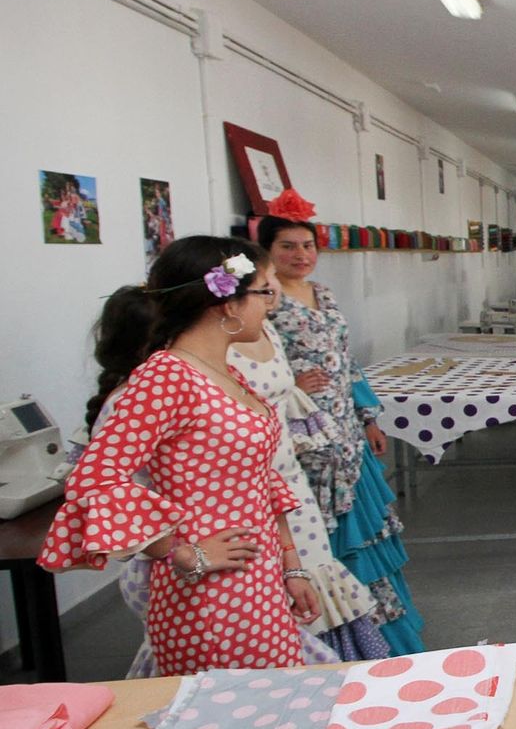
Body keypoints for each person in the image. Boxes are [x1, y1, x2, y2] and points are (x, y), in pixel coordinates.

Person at [38, 236, 320, 674]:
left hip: (257, 577)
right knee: (226, 719)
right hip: (210, 591)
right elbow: (94, 478)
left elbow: (258, 476)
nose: (270, 306)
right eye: (262, 293)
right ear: (227, 304)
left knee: (270, 705)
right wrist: (180, 552)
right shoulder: (167, 376)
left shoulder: (220, 373)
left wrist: (291, 565)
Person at [259, 215, 425, 654]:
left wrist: (368, 416)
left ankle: (379, 629)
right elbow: (251, 365)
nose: (301, 255)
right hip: (304, 437)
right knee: (325, 534)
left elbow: (346, 360)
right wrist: (292, 384)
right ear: (267, 252)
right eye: (288, 247)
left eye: (308, 245)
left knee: (366, 529)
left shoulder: (323, 293)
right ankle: (340, 636)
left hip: (345, 431)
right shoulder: (265, 301)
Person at [229, 316, 391, 660]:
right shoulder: (195, 366)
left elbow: (348, 366)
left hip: (294, 482)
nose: (266, 294)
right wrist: (174, 550)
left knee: (315, 580)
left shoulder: (269, 325)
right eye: (259, 287)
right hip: (261, 496)